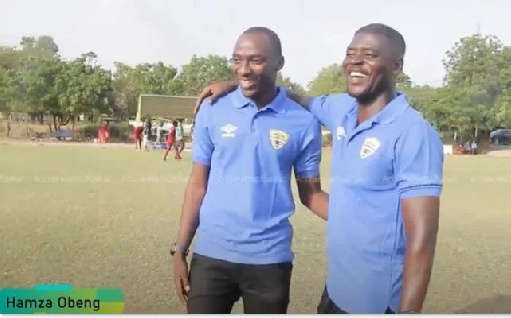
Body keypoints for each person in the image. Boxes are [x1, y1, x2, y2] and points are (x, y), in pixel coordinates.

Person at [194, 23, 444, 314]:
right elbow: (290, 96)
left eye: (370, 54)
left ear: (396, 66)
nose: (355, 62)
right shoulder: (341, 110)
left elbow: (422, 239)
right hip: (337, 292)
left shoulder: (414, 133)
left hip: (377, 299)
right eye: (351, 53)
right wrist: (236, 85)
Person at [172, 26, 329, 314]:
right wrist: (179, 249)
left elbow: (311, 193)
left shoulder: (303, 122)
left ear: (279, 63)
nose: (243, 70)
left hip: (270, 260)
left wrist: (359, 220)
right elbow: (197, 185)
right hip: (211, 255)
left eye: (255, 60)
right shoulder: (213, 109)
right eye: (237, 60)